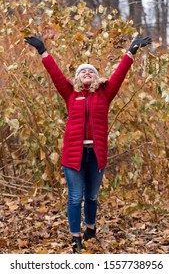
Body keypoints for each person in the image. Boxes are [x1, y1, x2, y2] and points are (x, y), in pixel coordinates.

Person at [24, 33, 152, 252]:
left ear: (96, 78)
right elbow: (54, 73)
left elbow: (120, 73)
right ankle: (76, 238)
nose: (86, 73)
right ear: (77, 78)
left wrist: (131, 51)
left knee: (92, 195)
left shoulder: (105, 94)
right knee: (75, 198)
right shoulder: (70, 94)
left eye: (90, 72)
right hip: (73, 155)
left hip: (96, 155)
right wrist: (43, 51)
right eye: (82, 71)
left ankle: (90, 229)